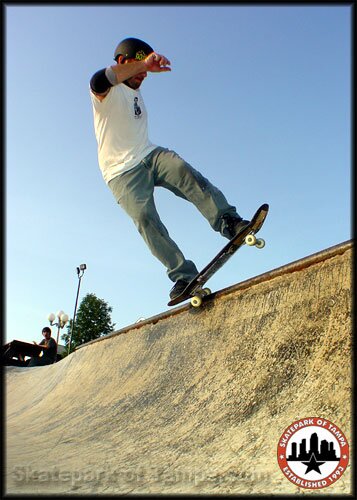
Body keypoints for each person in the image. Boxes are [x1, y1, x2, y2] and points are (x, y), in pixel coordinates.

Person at [89, 37, 249, 300]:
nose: (143, 74)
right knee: (145, 218)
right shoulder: (106, 93)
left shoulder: (136, 93)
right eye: (137, 67)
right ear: (121, 62)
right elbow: (99, 79)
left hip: (149, 154)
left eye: (145, 70)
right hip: (119, 172)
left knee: (183, 170)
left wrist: (142, 64)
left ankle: (229, 222)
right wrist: (144, 63)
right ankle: (183, 275)